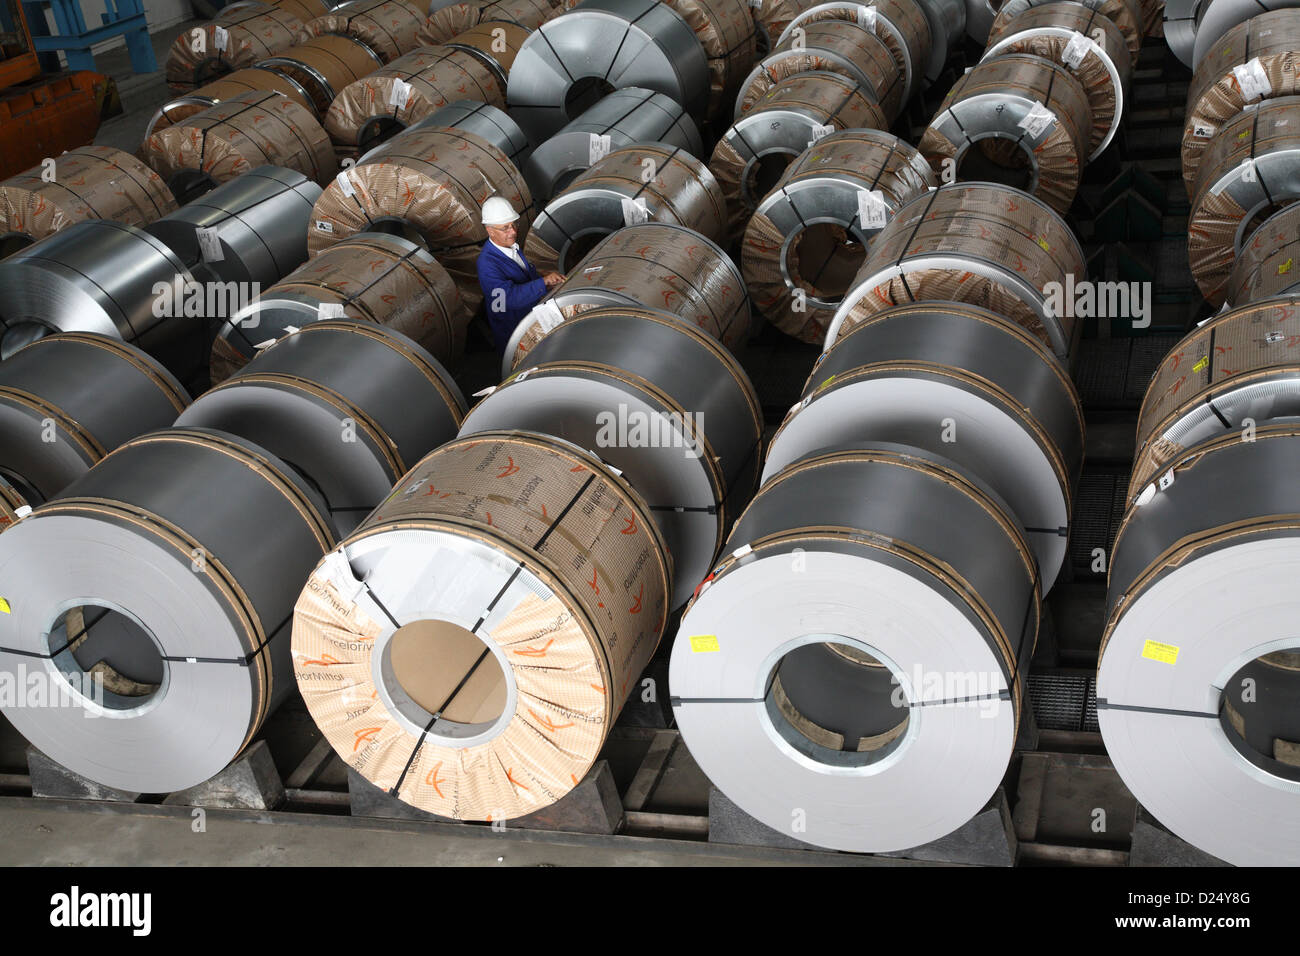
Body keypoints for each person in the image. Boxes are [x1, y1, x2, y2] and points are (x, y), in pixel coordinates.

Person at [476, 196, 563, 353]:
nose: (513, 231)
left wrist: (542, 276)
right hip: (514, 332)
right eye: (505, 228)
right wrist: (542, 282)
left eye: (514, 224)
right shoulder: (487, 264)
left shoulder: (510, 247)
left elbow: (522, 274)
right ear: (489, 230)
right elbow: (506, 299)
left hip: (529, 316)